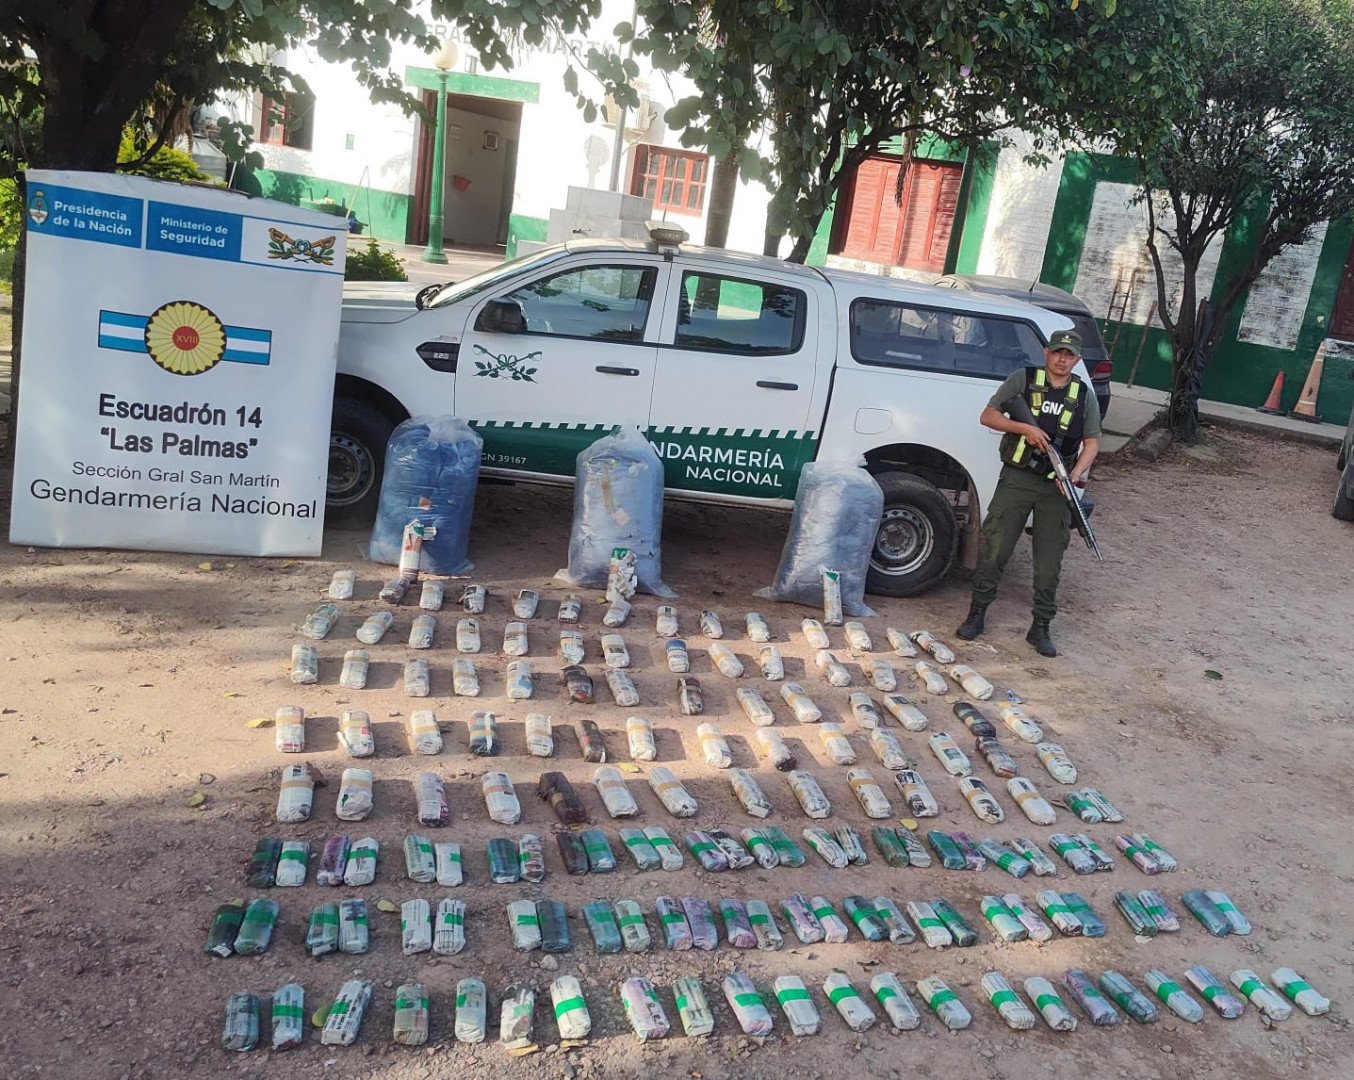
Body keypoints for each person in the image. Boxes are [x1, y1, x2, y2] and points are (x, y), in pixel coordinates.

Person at [955, 328, 1101, 657]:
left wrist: (1073, 475)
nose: (1062, 359)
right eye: (1057, 352)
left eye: (1069, 355)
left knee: (1049, 561)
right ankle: (977, 614)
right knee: (996, 549)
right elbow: (988, 415)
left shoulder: (1083, 395)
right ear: (1047, 353)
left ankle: (1041, 626)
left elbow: (1092, 443)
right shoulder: (1023, 379)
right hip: (1018, 478)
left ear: (1077, 360)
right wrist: (1024, 428)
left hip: (1056, 487)